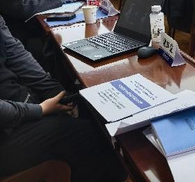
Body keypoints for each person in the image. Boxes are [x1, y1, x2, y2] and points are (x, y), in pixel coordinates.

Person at [0, 15, 127, 182]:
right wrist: (40, 110)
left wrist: (58, 94)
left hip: (20, 104)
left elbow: (16, 56)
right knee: (94, 136)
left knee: (91, 109)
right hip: (6, 130)